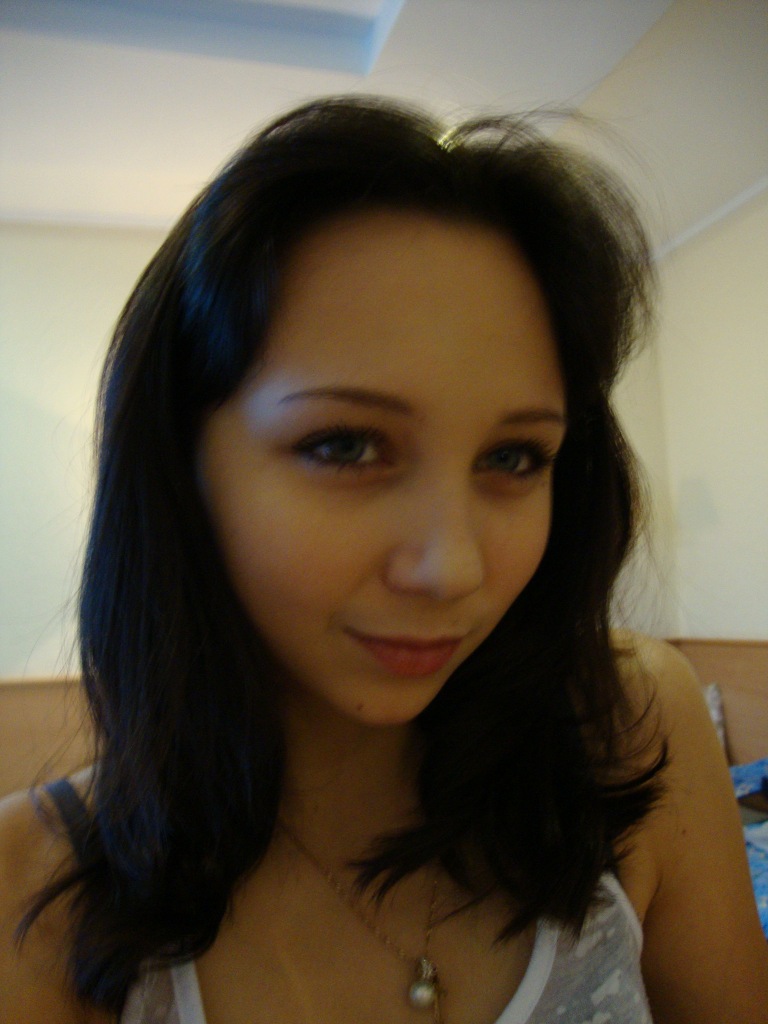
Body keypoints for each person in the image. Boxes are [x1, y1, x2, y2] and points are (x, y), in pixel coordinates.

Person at [1, 96, 766, 1024]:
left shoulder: (632, 726)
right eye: (346, 446)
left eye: (514, 458)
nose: (451, 569)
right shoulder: (28, 894)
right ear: (180, 467)